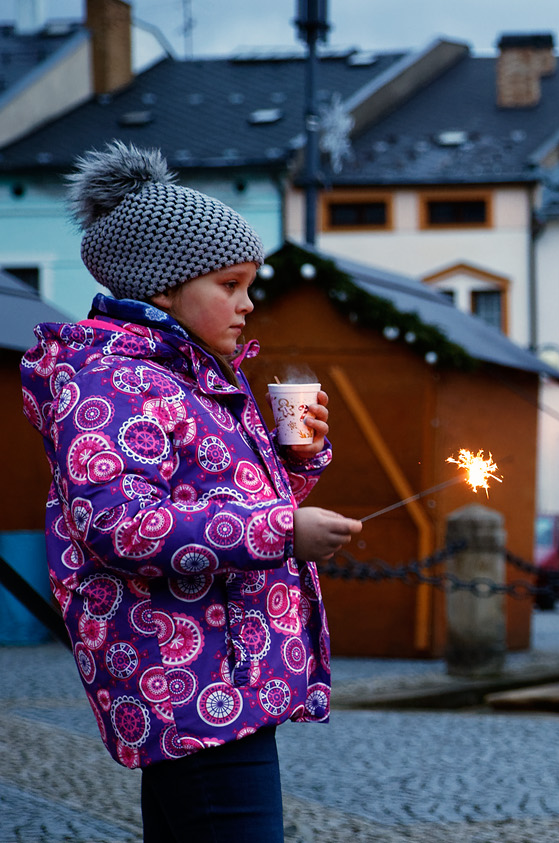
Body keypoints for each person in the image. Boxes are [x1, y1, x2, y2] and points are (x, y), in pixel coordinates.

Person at [19, 141, 362, 841]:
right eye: (230, 285)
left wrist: (296, 460)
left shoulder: (189, 375)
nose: (247, 303)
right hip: (188, 683)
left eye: (249, 284)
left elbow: (218, 496)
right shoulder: (115, 379)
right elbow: (119, 523)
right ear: (164, 288)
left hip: (221, 678)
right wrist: (282, 531)